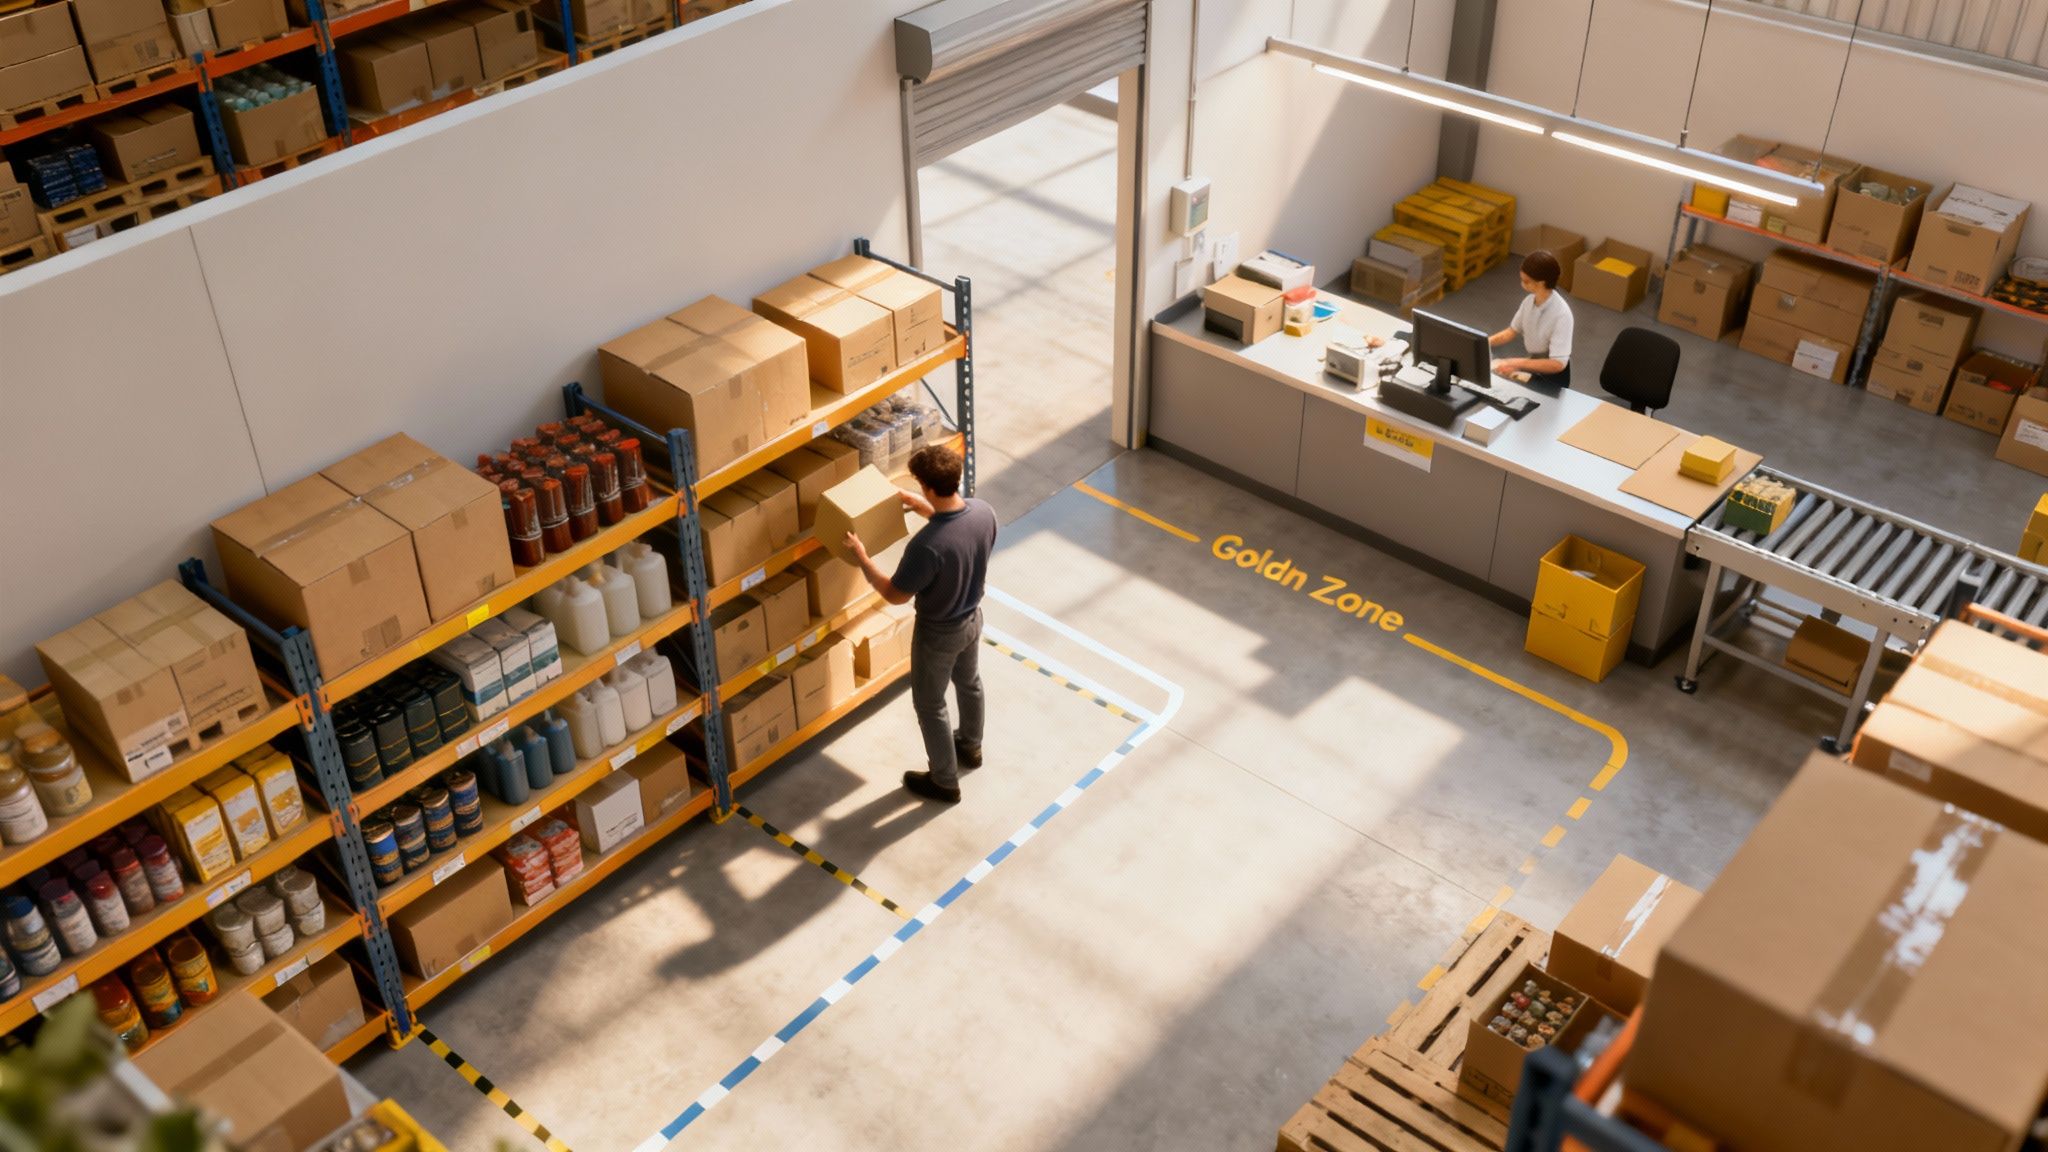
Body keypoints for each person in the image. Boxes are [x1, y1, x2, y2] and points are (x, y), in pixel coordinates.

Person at [844, 444, 998, 804]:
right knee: (969, 683)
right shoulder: (984, 513)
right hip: (972, 618)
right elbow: (957, 532)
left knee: (930, 705)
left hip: (939, 634)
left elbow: (895, 594)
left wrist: (862, 557)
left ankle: (944, 781)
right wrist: (922, 506)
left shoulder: (926, 546)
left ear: (927, 486)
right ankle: (971, 746)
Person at [1489, 250, 1575, 388]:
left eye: (1526, 281)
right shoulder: (1529, 301)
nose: (1522, 284)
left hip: (1552, 380)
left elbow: (1557, 364)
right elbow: (1511, 331)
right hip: (1534, 365)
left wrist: (1514, 362)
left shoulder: (1562, 315)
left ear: (1541, 283)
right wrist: (1484, 342)